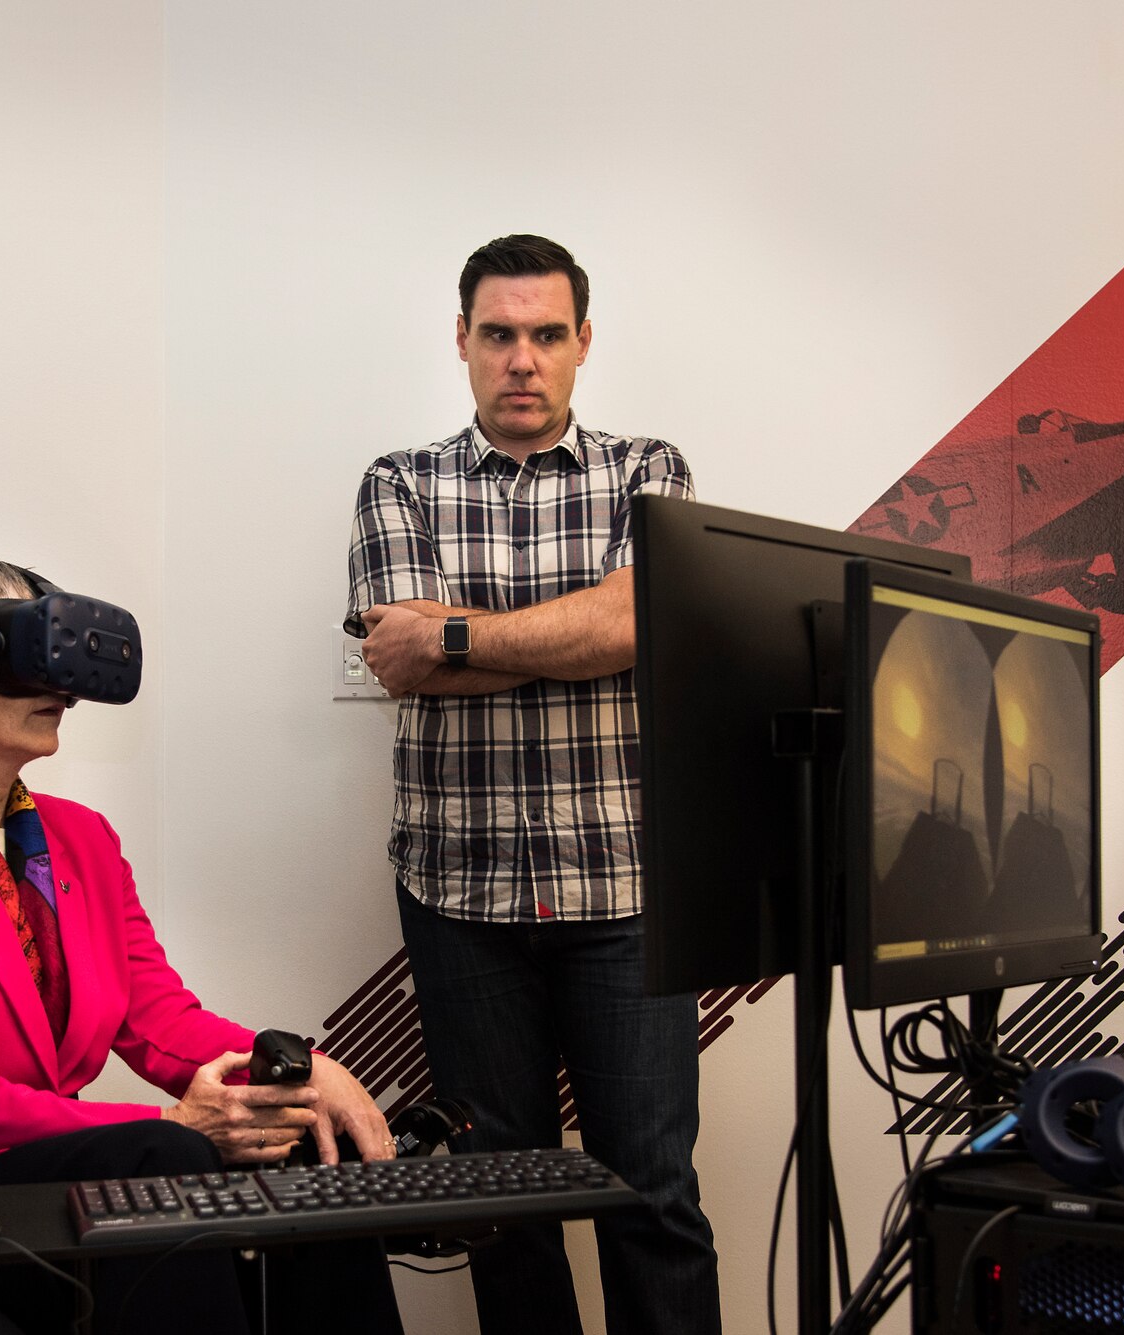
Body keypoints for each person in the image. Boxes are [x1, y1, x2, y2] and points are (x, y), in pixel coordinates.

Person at [0, 551, 405, 1335]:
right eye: (23, 648)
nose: (57, 683)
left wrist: (307, 1074)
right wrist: (166, 1131)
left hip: (32, 1193)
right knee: (158, 1157)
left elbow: (157, 1020)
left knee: (302, 1145)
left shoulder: (81, 841)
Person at [346, 234, 721, 1335]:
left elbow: (641, 620)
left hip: (625, 897)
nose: (522, 358)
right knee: (500, 1207)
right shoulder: (397, 482)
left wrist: (461, 635)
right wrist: (583, 633)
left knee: (651, 1197)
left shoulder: (648, 470)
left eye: (546, 335)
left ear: (582, 345)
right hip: (459, 903)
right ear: (460, 342)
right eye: (498, 334)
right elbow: (398, 659)